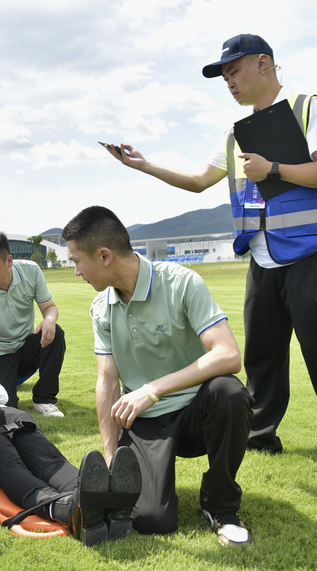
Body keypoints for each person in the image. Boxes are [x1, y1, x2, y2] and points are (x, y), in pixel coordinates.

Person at [103, 34, 317, 466]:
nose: (229, 82)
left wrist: (273, 168)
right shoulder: (235, 133)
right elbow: (201, 180)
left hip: (309, 249)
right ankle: (260, 433)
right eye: (224, 76)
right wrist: (144, 165)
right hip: (261, 254)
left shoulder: (307, 107)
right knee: (260, 352)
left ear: (264, 64)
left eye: (234, 71)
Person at [62, 206, 254, 546]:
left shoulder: (181, 283)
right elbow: (107, 381)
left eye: (77, 260)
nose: (75, 271)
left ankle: (221, 507)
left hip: (197, 410)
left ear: (104, 256)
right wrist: (109, 457)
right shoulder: (100, 309)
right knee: (151, 520)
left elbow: (228, 354)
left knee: (230, 392)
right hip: (146, 422)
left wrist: (152, 389)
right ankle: (134, 490)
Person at [0, 377, 142, 546]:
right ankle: (65, 509)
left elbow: (3, 395)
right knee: (7, 463)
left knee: (48, 459)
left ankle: (101, 500)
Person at [0, 230, 65, 416]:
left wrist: (50, 319)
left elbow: (49, 307)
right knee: (6, 408)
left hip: (24, 349)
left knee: (56, 332)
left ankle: (44, 399)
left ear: (9, 261)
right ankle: (5, 389)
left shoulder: (31, 271)